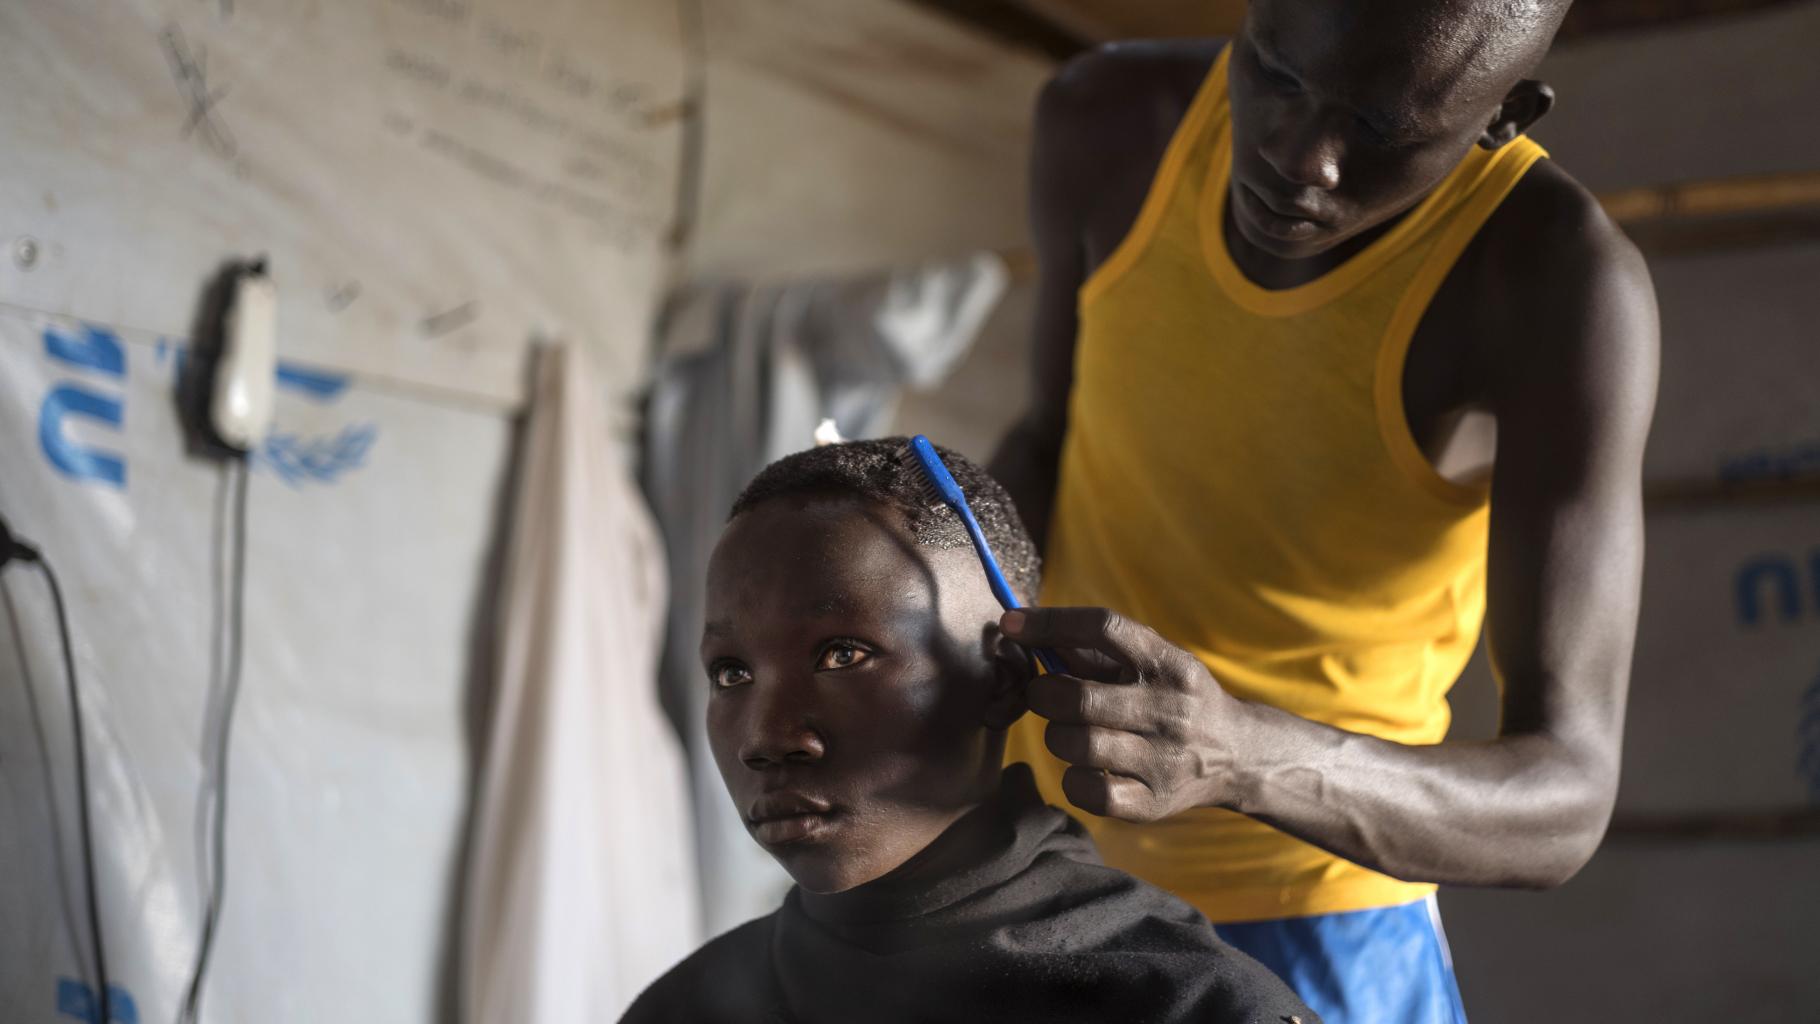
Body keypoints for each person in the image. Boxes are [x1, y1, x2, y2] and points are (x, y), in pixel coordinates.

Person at [988, 0, 1660, 1020]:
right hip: (1039, 863)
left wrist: (1239, 755)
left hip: (1314, 916)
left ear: (1502, 116)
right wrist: (909, 594)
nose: (1300, 160)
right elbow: (1046, 443)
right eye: (1278, 76)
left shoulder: (1549, 282)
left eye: (1377, 126)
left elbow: (1562, 801)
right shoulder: (1111, 121)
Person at [621, 439, 1318, 1024]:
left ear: (1005, 678)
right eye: (732, 673)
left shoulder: (1182, 1006)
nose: (767, 738)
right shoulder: (686, 1008)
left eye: (843, 655)